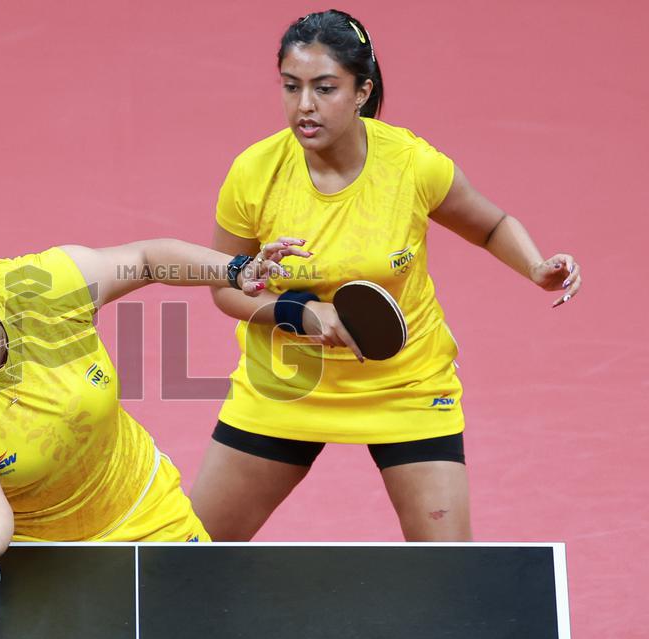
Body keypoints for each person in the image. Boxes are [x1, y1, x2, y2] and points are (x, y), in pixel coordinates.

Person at [189, 9, 583, 542]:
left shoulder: (411, 165)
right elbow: (224, 285)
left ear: (360, 91)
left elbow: (491, 225)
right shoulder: (254, 173)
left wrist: (536, 267)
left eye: (325, 88)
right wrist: (300, 312)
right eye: (291, 86)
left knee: (448, 574)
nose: (304, 105)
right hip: (286, 386)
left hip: (406, 386)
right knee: (190, 557)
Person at [0, 201, 302, 600]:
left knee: (196, 628)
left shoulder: (42, 288)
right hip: (34, 553)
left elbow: (145, 260)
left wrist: (235, 269)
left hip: (141, 508)